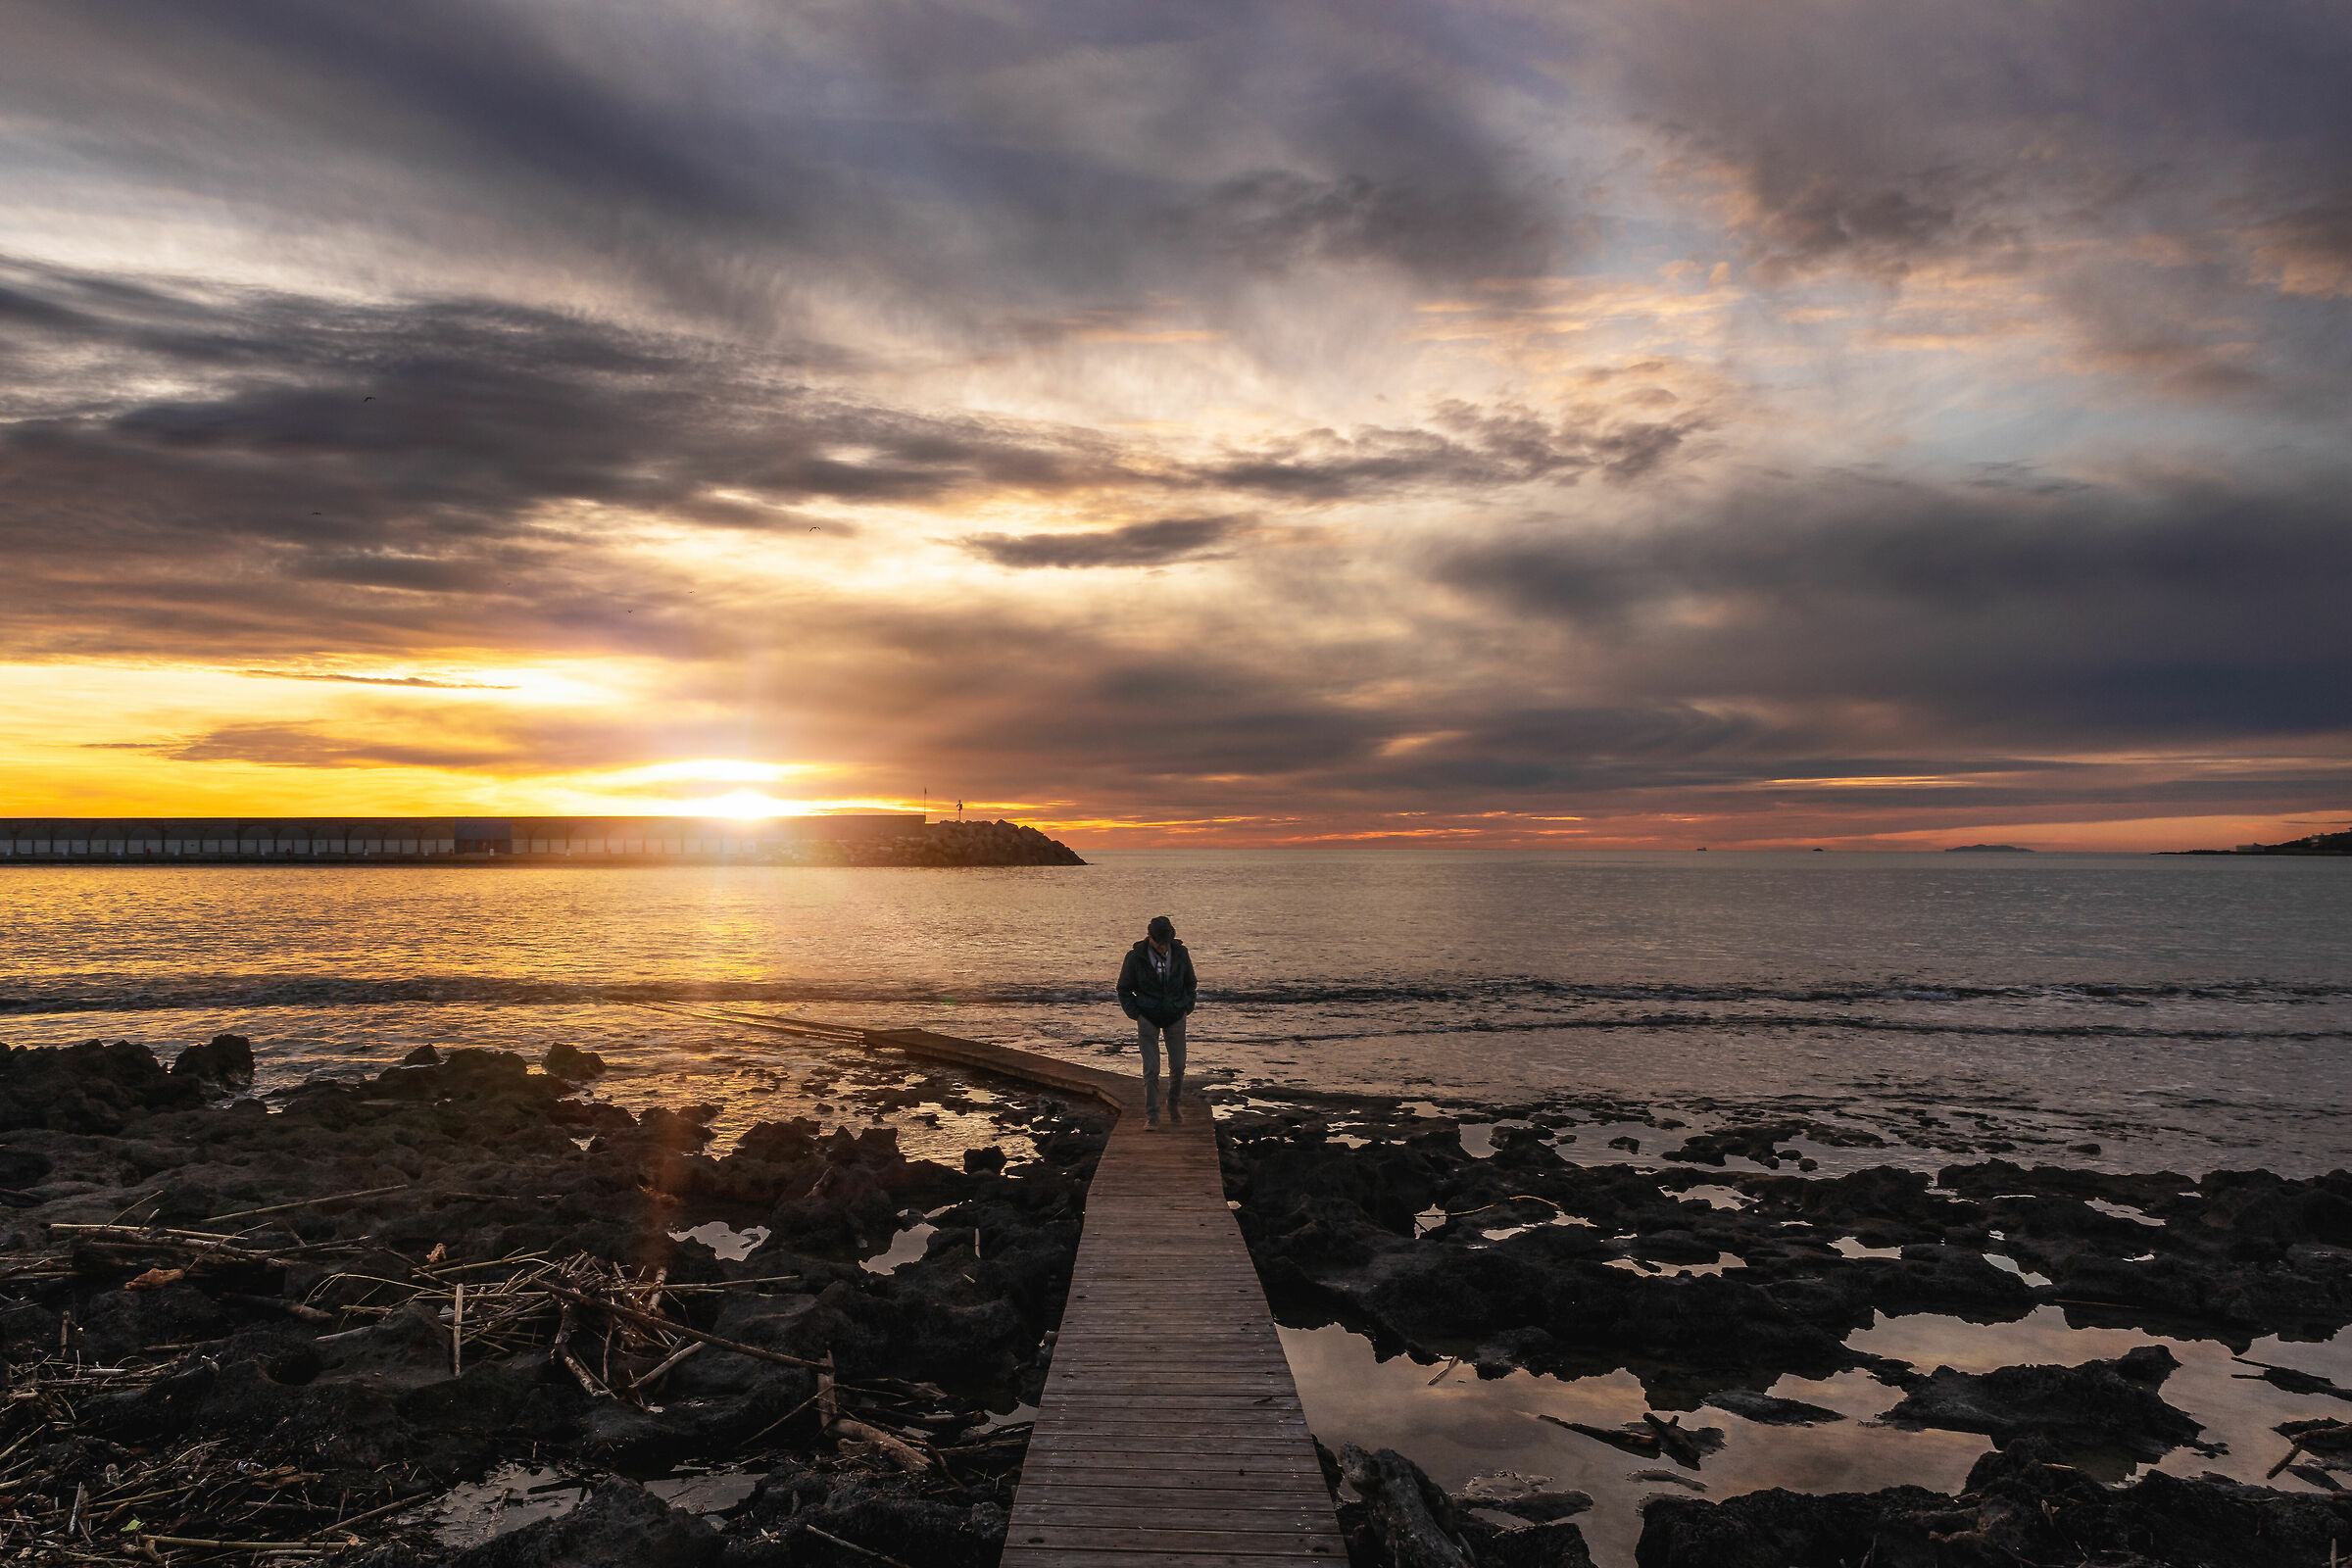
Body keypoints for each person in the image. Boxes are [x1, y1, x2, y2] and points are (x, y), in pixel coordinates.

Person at [1116, 914, 1197, 1128]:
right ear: (1149, 937)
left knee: (1178, 1066)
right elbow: (1123, 989)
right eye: (1159, 942)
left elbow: (1191, 983)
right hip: (1147, 1017)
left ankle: (1173, 1104)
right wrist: (1136, 1014)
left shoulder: (1181, 953)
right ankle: (1152, 1115)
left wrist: (1186, 1007)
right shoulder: (1134, 957)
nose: (1163, 946)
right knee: (1151, 1069)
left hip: (1176, 1016)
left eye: (1166, 942)